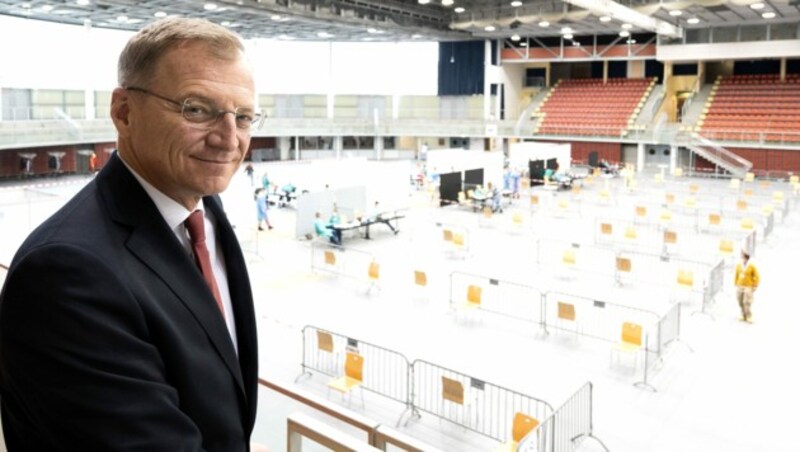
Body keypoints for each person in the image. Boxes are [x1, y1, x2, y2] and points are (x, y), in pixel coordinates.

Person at [0, 18, 261, 450]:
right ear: (124, 112)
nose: (228, 139)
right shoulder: (67, 273)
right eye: (196, 109)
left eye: (244, 116)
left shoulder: (203, 210)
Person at [734, 250, 760, 323]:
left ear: (746, 258)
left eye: (743, 257)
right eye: (741, 257)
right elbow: (736, 274)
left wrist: (755, 285)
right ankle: (742, 314)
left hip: (748, 286)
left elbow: (757, 276)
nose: (742, 259)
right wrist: (735, 283)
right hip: (740, 285)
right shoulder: (739, 265)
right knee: (739, 300)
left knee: (746, 301)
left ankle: (749, 315)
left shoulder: (752, 266)